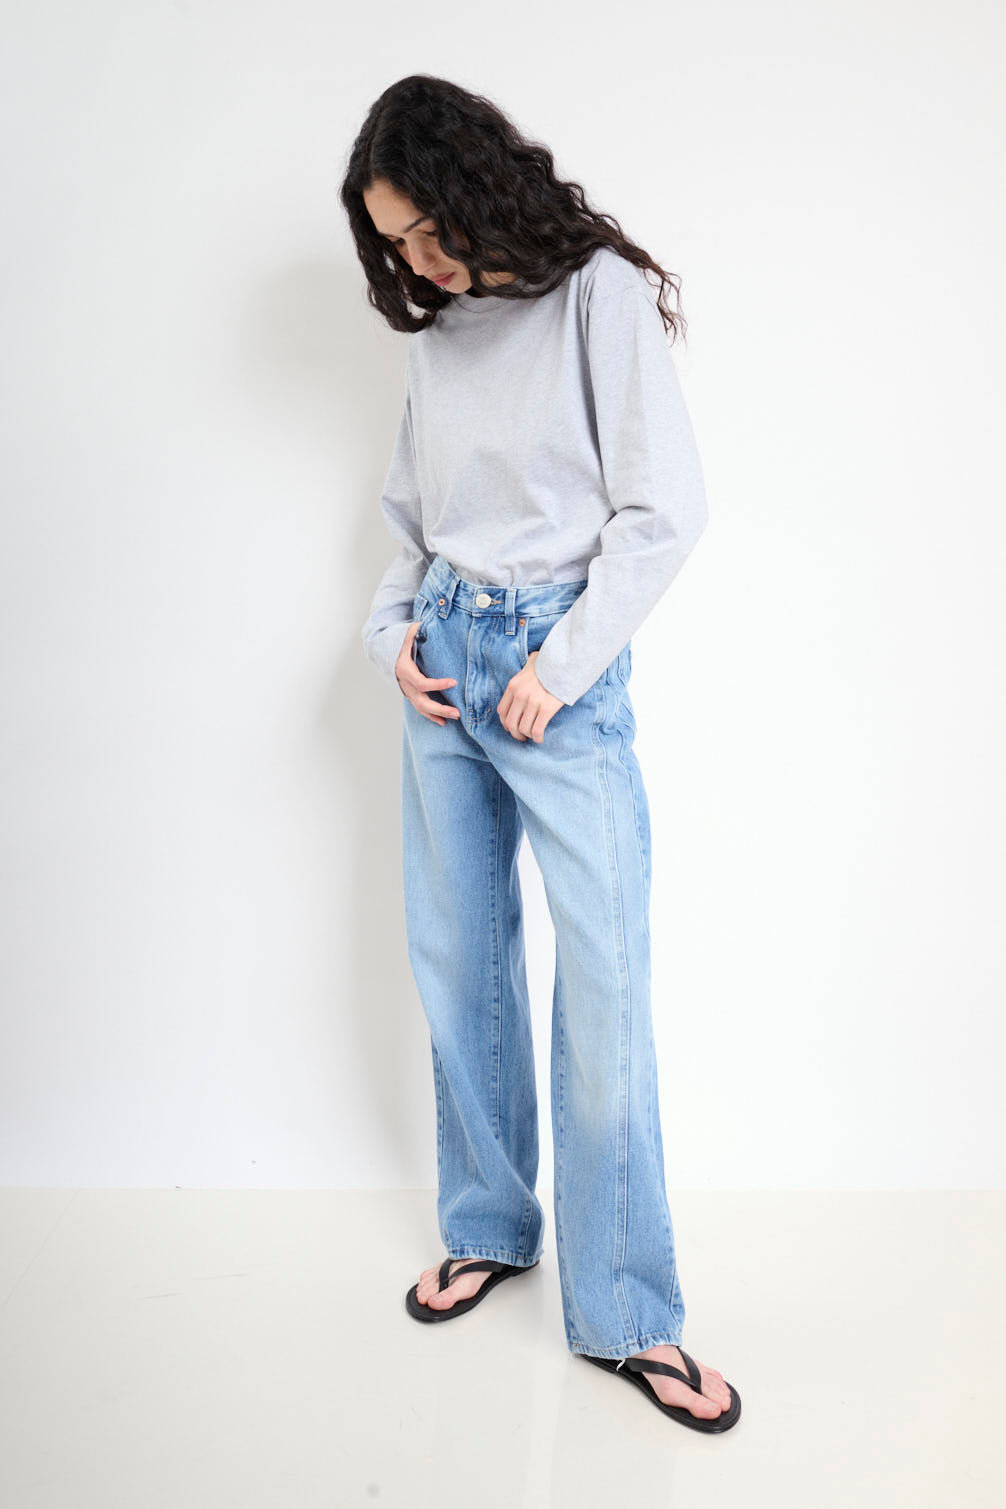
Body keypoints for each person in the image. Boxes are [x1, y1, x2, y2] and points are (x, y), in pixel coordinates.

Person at [343, 74, 741, 1433]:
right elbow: (411, 517)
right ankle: (487, 1224)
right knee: (460, 962)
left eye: (426, 228)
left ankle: (626, 1311)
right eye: (394, 243)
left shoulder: (594, 298)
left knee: (605, 981)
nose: (418, 261)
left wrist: (558, 669)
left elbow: (663, 510)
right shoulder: (440, 332)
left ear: (475, 183)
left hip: (556, 674)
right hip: (445, 667)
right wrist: (390, 636)